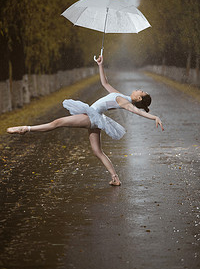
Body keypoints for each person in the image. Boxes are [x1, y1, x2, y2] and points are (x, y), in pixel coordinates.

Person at [7, 56, 164, 186]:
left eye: (141, 91)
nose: (138, 89)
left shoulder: (125, 102)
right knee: (97, 151)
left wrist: (154, 117)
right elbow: (105, 83)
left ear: (138, 98)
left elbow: (137, 112)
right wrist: (100, 65)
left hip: (92, 117)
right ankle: (115, 178)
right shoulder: (121, 95)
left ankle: (26, 129)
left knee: (57, 122)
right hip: (96, 118)